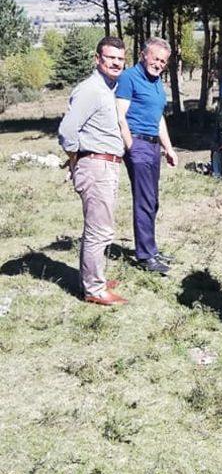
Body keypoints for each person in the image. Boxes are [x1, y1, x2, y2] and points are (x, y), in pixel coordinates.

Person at [58, 36, 128, 306]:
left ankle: (93, 278)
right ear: (97, 58)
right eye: (110, 57)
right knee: (99, 230)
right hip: (96, 164)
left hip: (106, 164)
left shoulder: (107, 89)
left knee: (101, 227)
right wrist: (75, 158)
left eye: (120, 59)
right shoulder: (91, 89)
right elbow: (67, 131)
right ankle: (94, 289)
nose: (116, 63)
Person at [116, 38, 178, 274]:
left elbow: (158, 118)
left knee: (152, 200)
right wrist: (130, 146)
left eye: (163, 61)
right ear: (143, 55)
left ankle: (151, 248)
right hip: (138, 143)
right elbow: (119, 115)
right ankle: (145, 257)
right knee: (144, 200)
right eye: (155, 58)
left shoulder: (157, 83)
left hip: (153, 146)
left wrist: (169, 148)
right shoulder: (129, 78)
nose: (159, 64)